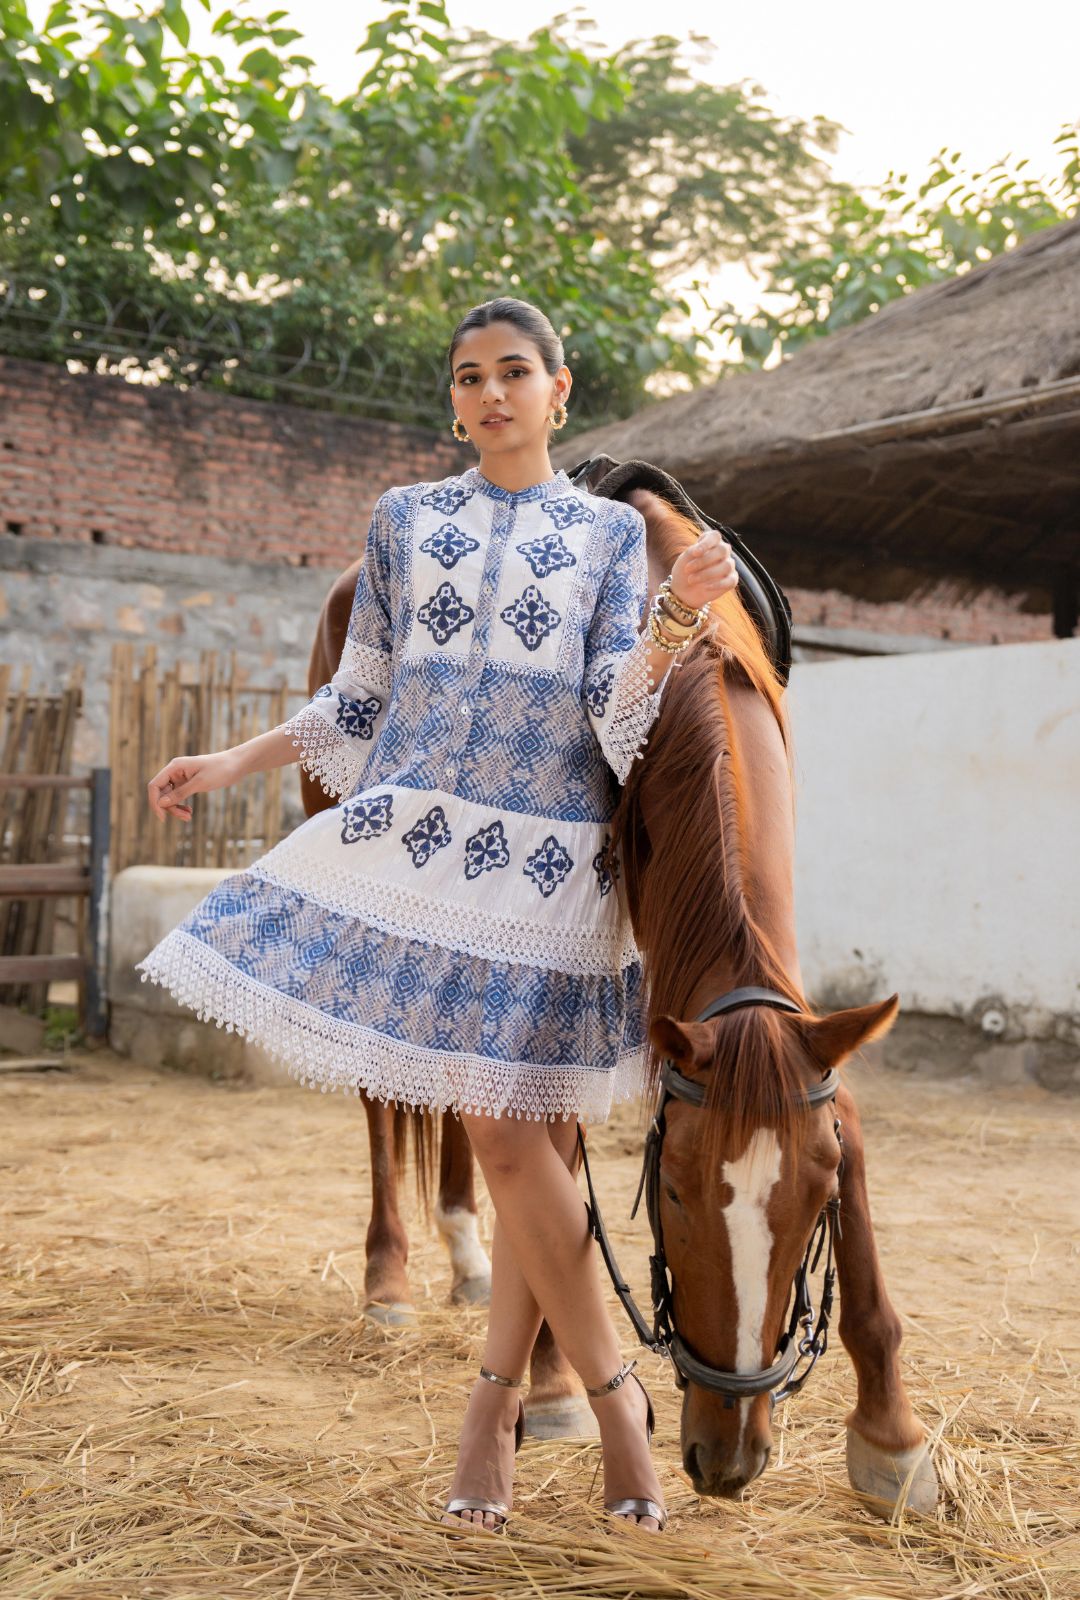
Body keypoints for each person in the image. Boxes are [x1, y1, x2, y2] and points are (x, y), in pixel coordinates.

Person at [142, 297, 739, 1535]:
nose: (491, 394)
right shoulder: (406, 522)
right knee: (517, 1145)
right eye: (469, 377)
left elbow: (616, 726)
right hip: (422, 857)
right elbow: (357, 706)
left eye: (515, 372)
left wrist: (676, 613)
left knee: (518, 1148)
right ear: (454, 398)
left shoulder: (605, 539)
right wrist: (232, 764)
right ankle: (582, 1413)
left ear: (560, 390)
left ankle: (546, 1409)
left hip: (546, 874)